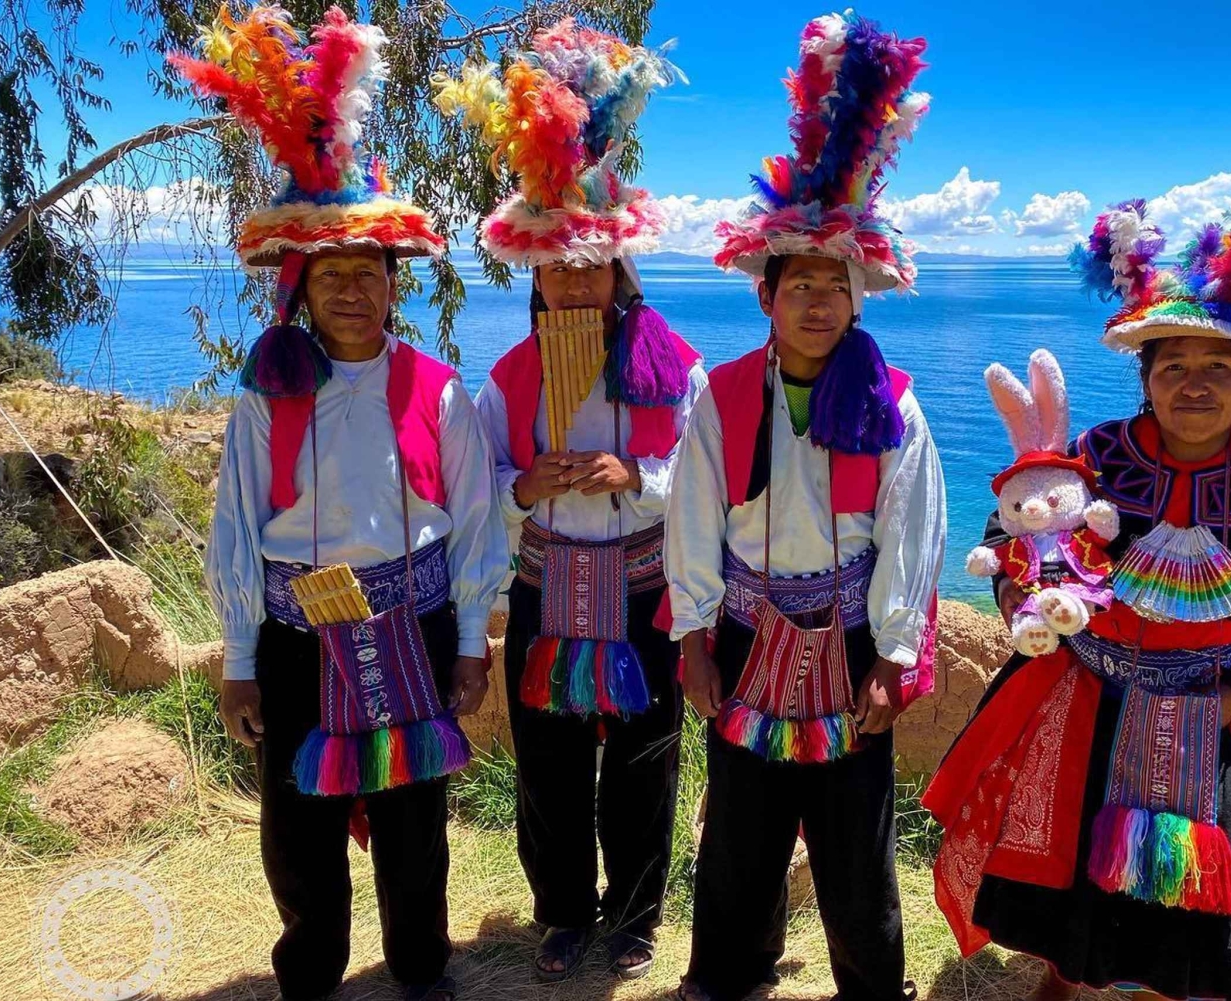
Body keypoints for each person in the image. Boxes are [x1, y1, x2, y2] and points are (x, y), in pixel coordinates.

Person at [924, 196, 1231, 1001]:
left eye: (1218, 367)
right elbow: (1019, 527)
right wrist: (1029, 596)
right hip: (1094, 698)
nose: (1195, 385)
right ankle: (1072, 979)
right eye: (1174, 367)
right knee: (1072, 886)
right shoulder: (1093, 458)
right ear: (1146, 376)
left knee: (1224, 924)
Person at [188, 8, 510, 1000]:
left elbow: (474, 522)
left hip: (413, 624)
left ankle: (423, 971)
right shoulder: (265, 395)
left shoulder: (438, 391)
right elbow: (238, 529)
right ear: (304, 287)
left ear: (391, 283)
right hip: (295, 639)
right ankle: (311, 975)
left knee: (415, 823)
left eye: (368, 276)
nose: (353, 294)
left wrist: (469, 639)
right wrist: (240, 661)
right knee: (299, 829)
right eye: (333, 278)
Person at [665, 13, 945, 1001]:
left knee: (855, 840)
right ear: (767, 296)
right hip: (745, 637)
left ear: (858, 297)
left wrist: (894, 655)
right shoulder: (722, 394)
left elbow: (913, 531)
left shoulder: (893, 402)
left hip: (852, 637)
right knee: (739, 827)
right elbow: (691, 518)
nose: (819, 302)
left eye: (837, 285)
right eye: (801, 286)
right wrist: (695, 636)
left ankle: (873, 985)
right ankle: (725, 976)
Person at [433, 20, 700, 982]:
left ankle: (633, 916)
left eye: (593, 265)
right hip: (547, 590)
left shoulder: (675, 371)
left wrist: (640, 479)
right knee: (546, 767)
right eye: (558, 267)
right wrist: (522, 486)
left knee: (643, 758)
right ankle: (560, 912)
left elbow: (698, 487)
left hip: (639, 591)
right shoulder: (504, 381)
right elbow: (476, 499)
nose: (576, 280)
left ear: (621, 271)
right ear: (536, 274)